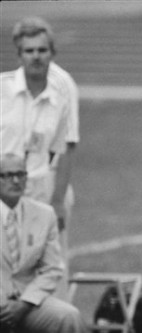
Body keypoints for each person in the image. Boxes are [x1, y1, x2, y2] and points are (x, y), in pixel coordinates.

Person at [1, 16, 80, 298]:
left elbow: (68, 144)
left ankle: (53, 320)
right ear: (19, 54)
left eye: (42, 50)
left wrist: (57, 201)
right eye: (29, 50)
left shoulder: (62, 89)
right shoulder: (3, 89)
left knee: (51, 261)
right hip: (4, 187)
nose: (36, 56)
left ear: (52, 52)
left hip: (42, 185)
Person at [0, 154, 88, 333]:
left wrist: (25, 303)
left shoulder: (44, 215)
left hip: (28, 302)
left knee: (68, 316)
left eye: (20, 174)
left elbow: (52, 268)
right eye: (8, 175)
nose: (15, 180)